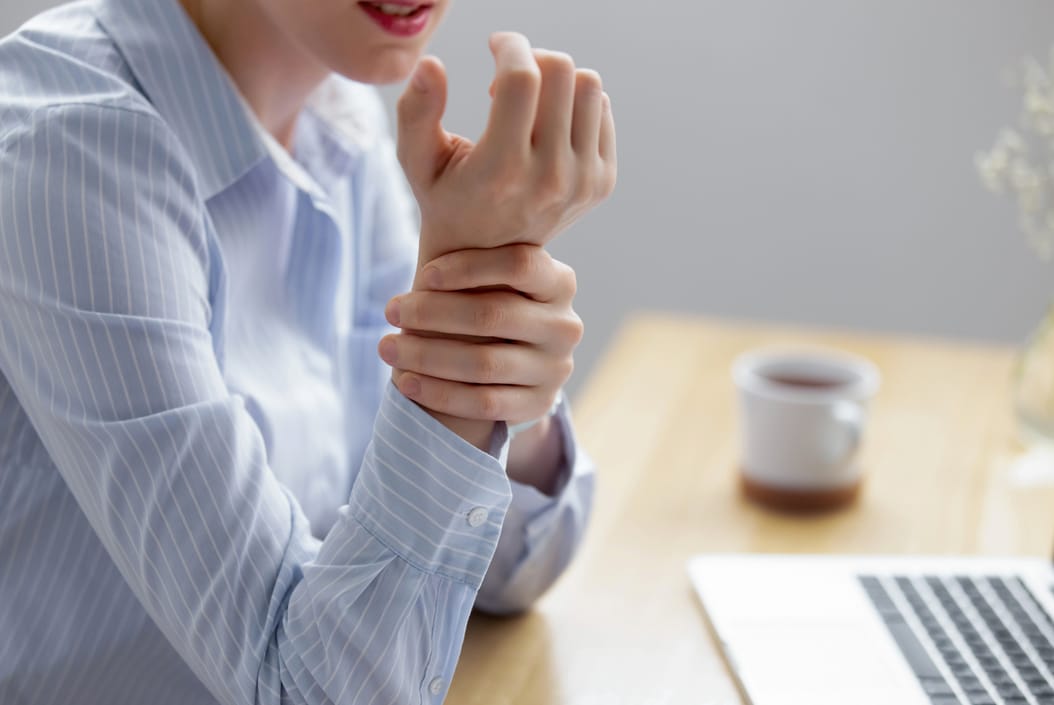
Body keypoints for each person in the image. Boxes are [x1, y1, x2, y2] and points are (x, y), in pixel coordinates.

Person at [0, 0, 616, 702]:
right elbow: (309, 689)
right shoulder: (73, 154)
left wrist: (495, 368)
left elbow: (512, 571)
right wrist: (461, 337)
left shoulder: (335, 109)